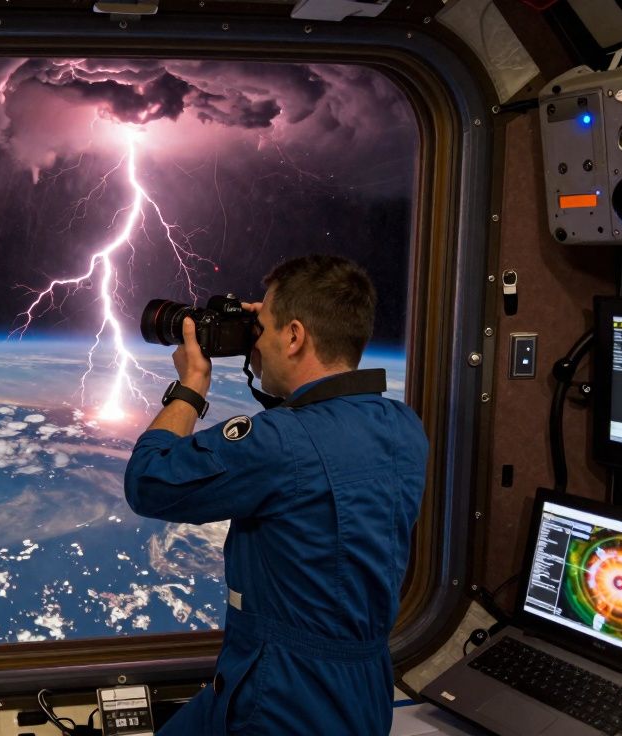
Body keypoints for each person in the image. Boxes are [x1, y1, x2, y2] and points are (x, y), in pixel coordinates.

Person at [124, 254, 429, 735]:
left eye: (262, 328)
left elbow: (148, 481)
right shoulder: (404, 427)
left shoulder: (278, 444)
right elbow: (319, 432)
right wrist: (267, 334)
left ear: (295, 336)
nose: (255, 339)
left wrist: (191, 386)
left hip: (284, 694)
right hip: (366, 686)